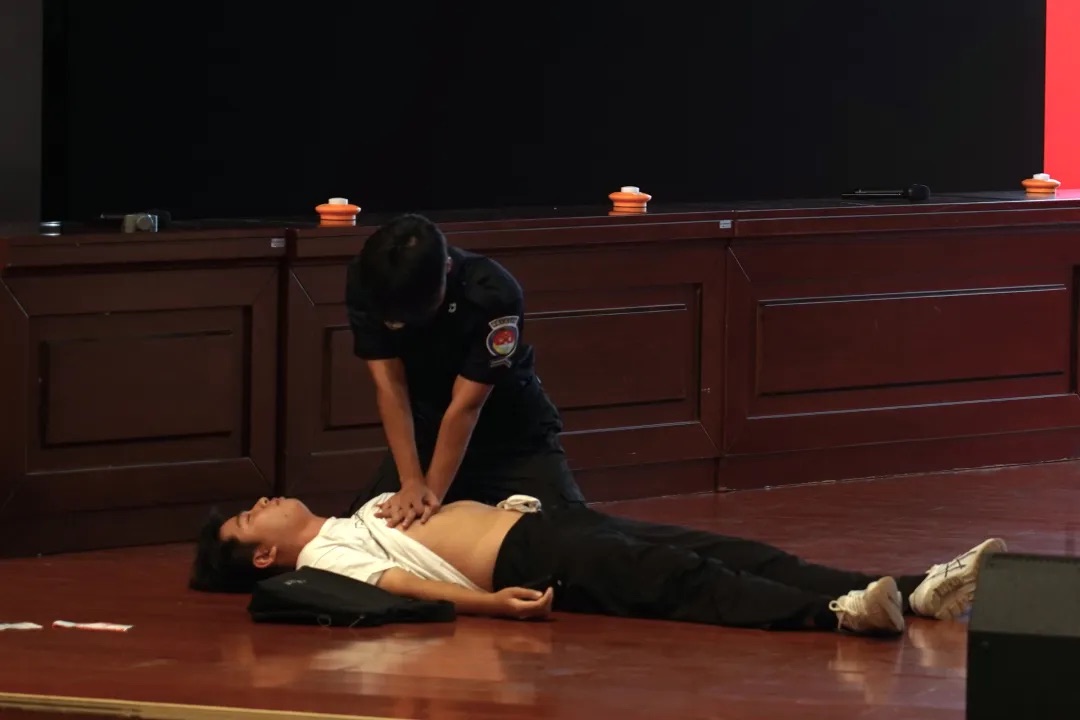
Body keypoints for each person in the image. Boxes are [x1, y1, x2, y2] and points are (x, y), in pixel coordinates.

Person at [189, 494, 1006, 636]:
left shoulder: (353, 512)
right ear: (263, 553)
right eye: (250, 516)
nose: (263, 500)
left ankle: (912, 590)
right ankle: (835, 614)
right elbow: (399, 583)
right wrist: (494, 606)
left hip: (546, 528)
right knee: (680, 581)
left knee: (724, 552)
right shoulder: (322, 553)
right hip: (527, 558)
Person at [344, 213, 584, 529]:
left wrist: (430, 499)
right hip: (427, 431)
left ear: (446, 267)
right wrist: (412, 482)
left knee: (570, 532)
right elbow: (390, 387)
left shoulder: (492, 291)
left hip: (510, 434)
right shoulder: (368, 282)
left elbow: (466, 407)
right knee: (364, 531)